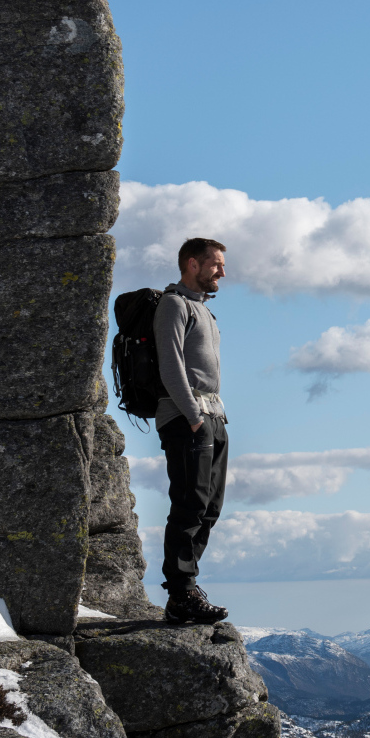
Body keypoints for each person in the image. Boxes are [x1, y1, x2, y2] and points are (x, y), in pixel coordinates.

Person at [155, 237, 231, 624]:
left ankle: (186, 588)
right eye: (215, 264)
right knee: (189, 503)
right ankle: (181, 591)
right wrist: (193, 417)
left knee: (209, 507)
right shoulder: (173, 305)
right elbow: (171, 367)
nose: (222, 271)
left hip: (212, 417)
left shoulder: (203, 311)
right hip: (189, 418)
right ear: (192, 265)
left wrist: (211, 418)